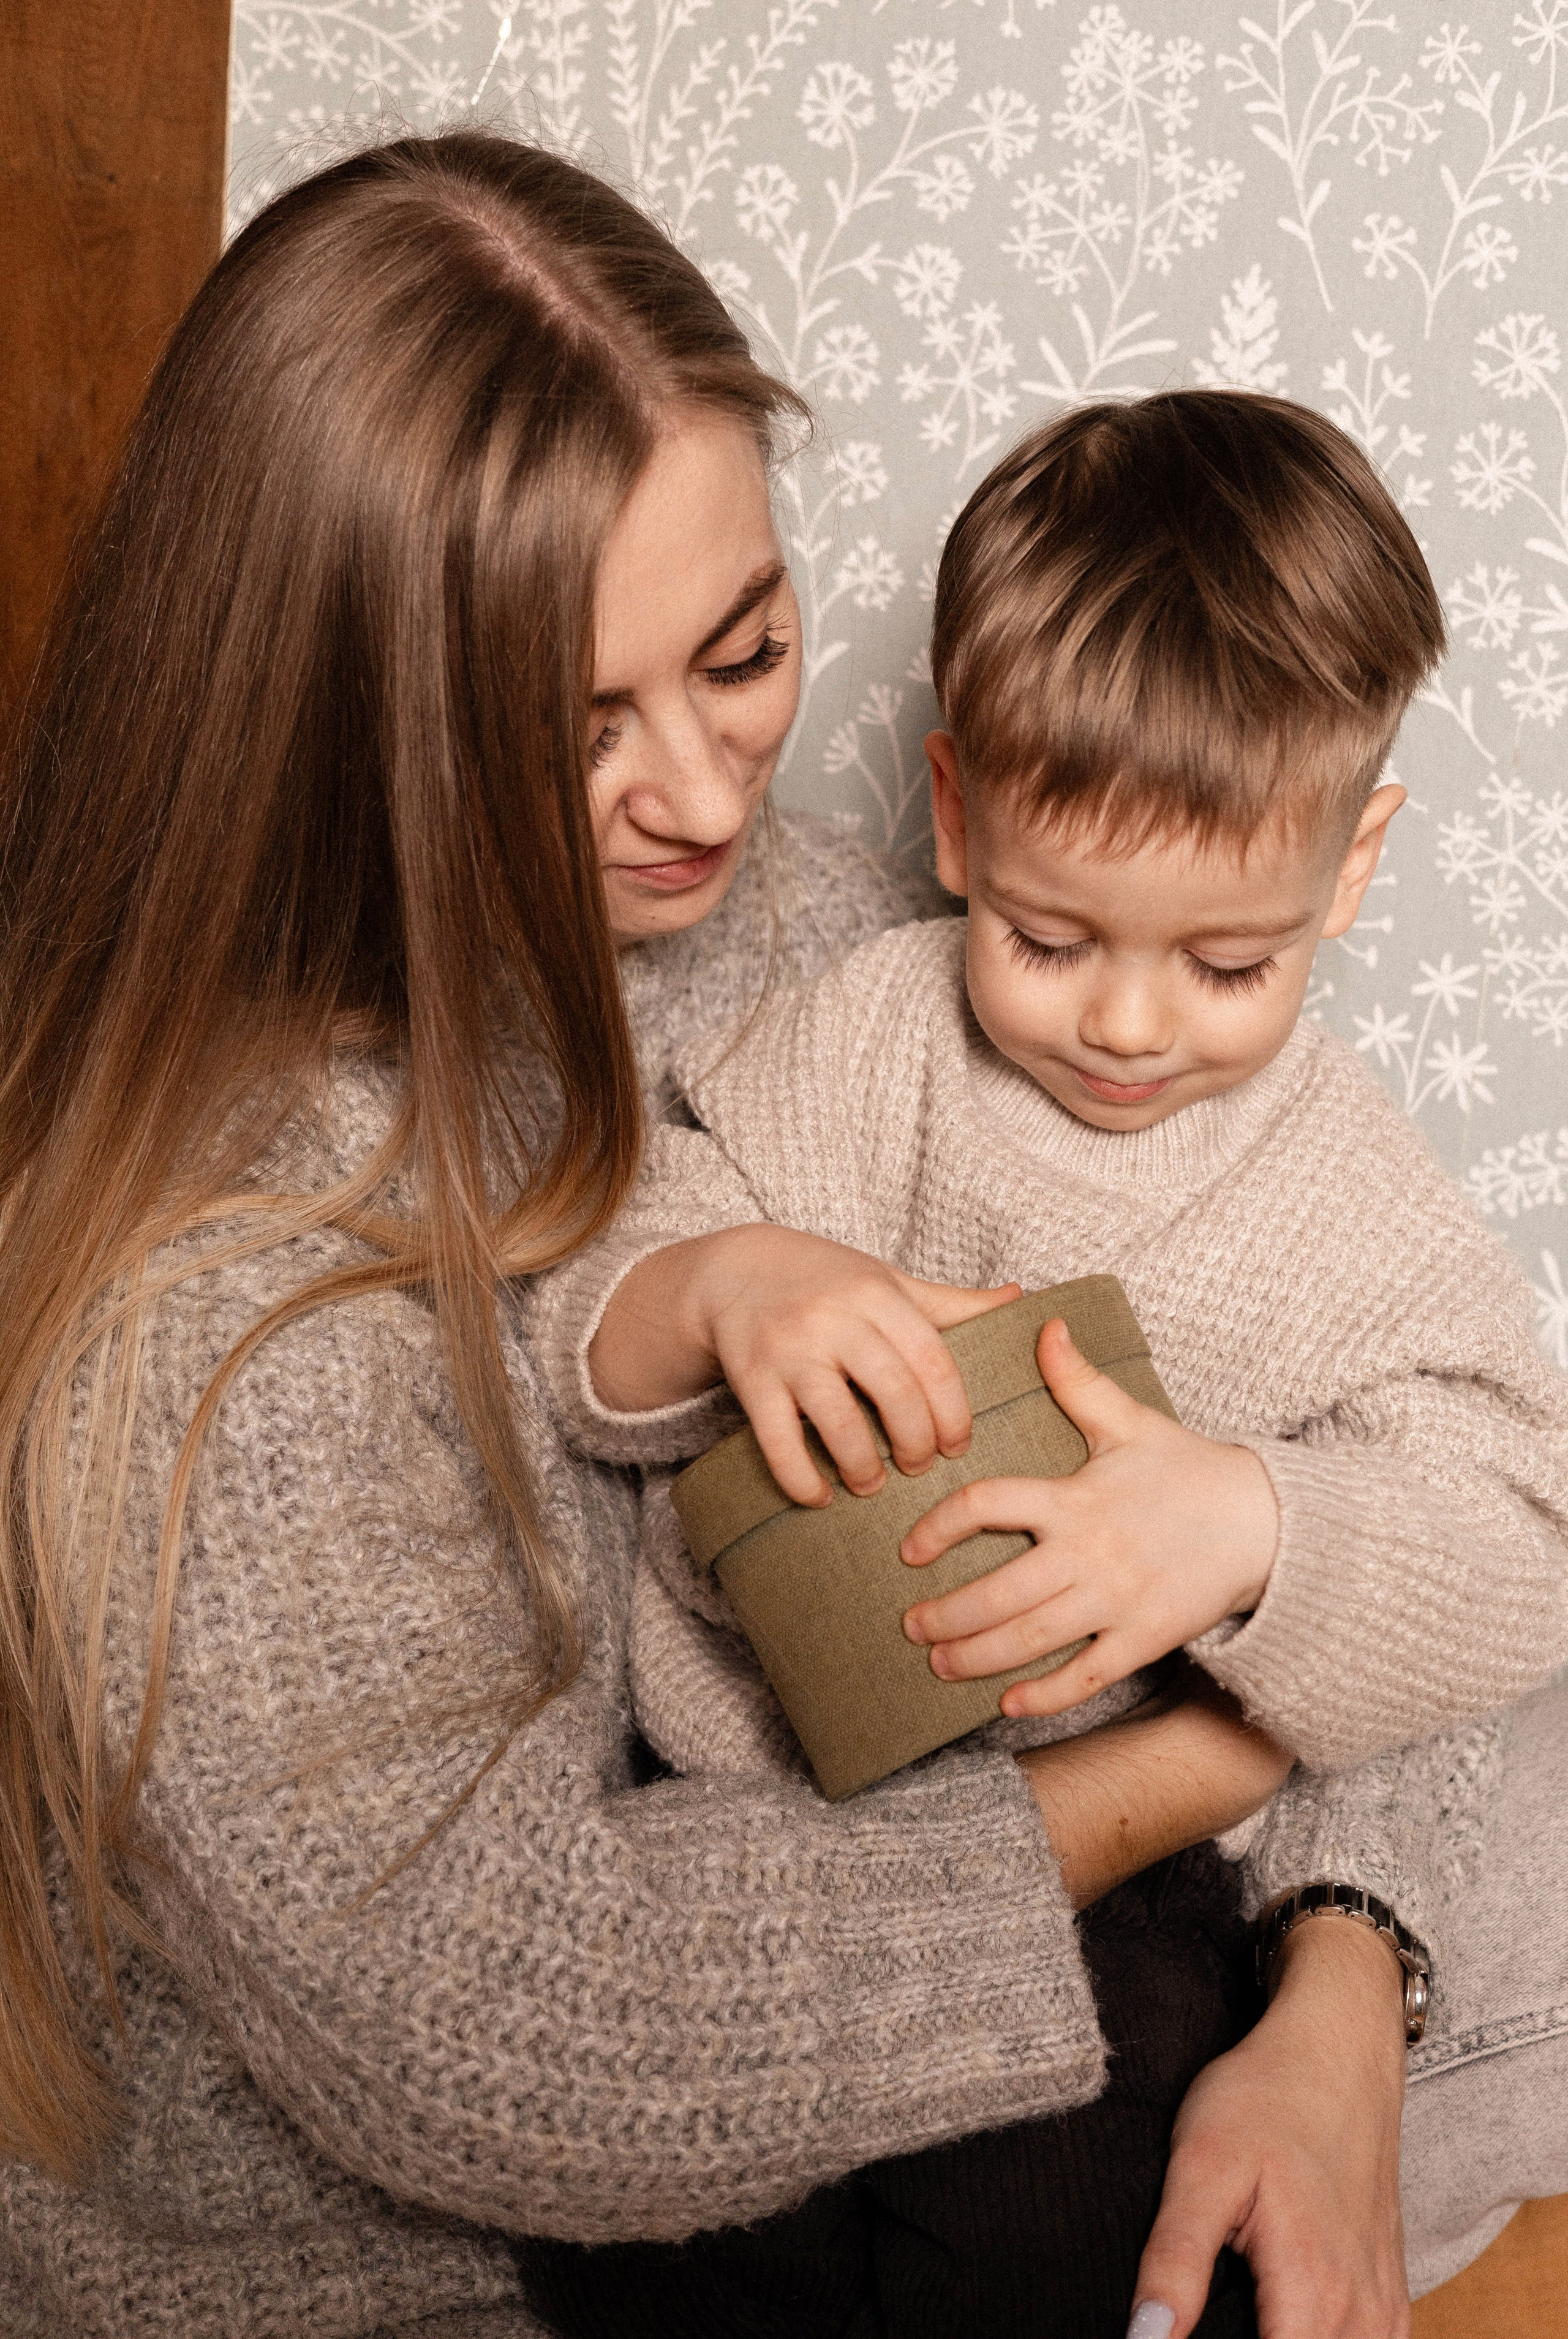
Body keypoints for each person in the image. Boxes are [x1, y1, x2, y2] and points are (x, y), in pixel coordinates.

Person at [0, 130, 1558, 2339]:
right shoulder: (217, 1284)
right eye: (573, 727)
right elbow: (524, 2045)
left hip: (1024, 1883)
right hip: (459, 2241)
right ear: (339, 726)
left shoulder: (813, 936)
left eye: (746, 652)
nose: (716, 799)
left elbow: (1423, 1472)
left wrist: (1343, 1992)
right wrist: (1237, 1745)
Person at [532, 395, 1568, 2330]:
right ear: (953, 810)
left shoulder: (1349, 1193)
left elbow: (1519, 1523)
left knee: (1071, 2224)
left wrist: (1257, 1526)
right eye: (1044, 930)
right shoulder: (866, 1042)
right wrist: (726, 1286)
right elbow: (608, 1250)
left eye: (1228, 964)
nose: (1125, 1022)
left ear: (1353, 869)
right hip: (745, 1809)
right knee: (670, 2242)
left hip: (1116, 1873)